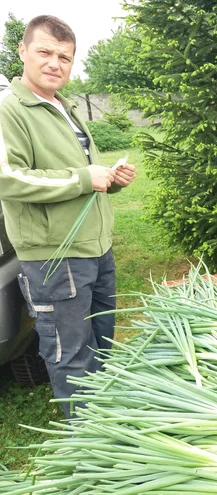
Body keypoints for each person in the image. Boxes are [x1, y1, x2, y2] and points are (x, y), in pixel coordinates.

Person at [0, 15, 136, 418]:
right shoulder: (10, 110)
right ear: (22, 52)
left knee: (100, 339)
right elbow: (8, 179)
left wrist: (111, 180)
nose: (55, 63)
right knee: (69, 350)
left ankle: (105, 416)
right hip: (55, 255)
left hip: (95, 247)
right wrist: (82, 179)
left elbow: (78, 173)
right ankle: (89, 439)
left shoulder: (65, 107)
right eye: (44, 52)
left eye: (65, 56)